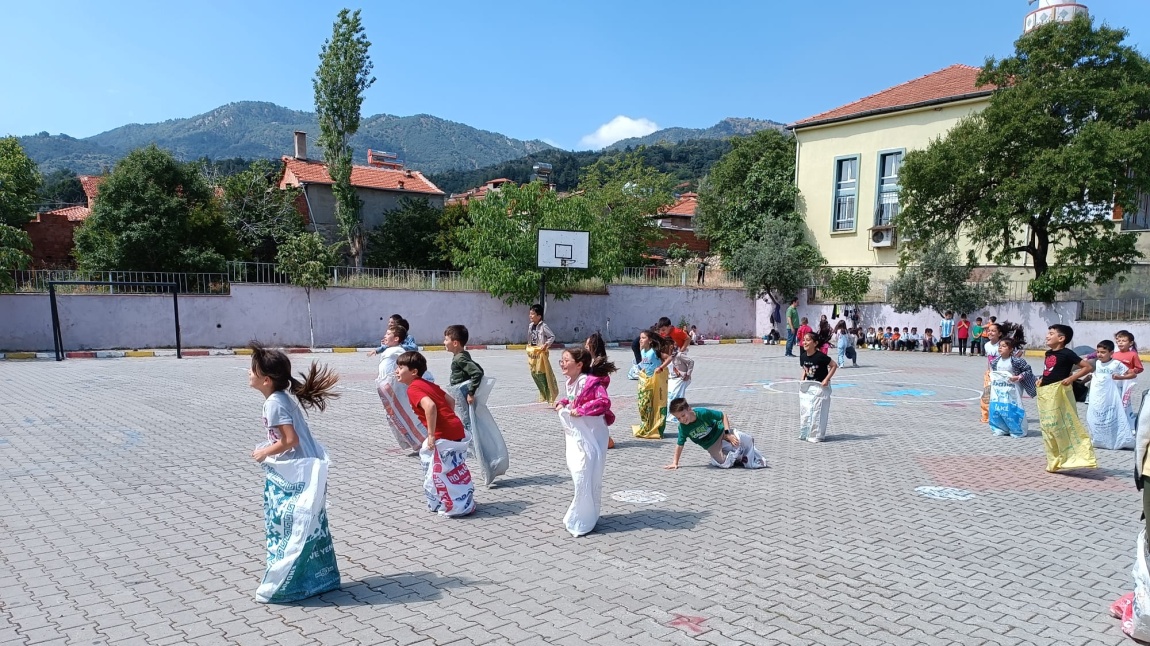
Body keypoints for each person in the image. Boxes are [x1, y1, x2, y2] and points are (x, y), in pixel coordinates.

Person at [247, 342, 341, 603]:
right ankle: (318, 578)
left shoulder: (274, 404)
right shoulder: (279, 398)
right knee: (309, 525)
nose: (249, 373)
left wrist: (264, 452)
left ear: (266, 380)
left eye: (253, 370)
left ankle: (289, 584)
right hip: (306, 468)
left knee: (292, 527)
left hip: (298, 474)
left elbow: (291, 440)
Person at [396, 351, 475, 516]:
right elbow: (450, 401)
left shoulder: (413, 388)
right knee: (453, 467)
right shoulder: (428, 384)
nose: (396, 370)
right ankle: (454, 500)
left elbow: (430, 406)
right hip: (455, 429)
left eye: (400, 367)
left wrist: (432, 433)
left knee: (441, 472)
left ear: (414, 372)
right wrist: (447, 419)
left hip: (443, 434)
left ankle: (452, 504)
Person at [554, 347, 615, 536]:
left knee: (587, 472)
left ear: (579, 365)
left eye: (566, 360)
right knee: (579, 471)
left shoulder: (590, 382)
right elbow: (573, 398)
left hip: (594, 433)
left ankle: (586, 514)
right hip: (579, 433)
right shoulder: (570, 381)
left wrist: (582, 410)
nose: (562, 364)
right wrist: (563, 403)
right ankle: (583, 511)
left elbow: (603, 402)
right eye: (561, 360)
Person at [1035, 324, 1098, 473]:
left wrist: (1072, 378)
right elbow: (1049, 372)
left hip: (1059, 392)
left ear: (1061, 338)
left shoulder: (1067, 353)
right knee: (1048, 426)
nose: (1047, 336)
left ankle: (1075, 456)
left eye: (1051, 333)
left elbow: (1087, 367)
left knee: (1059, 425)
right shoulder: (1048, 353)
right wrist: (1041, 380)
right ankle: (1054, 460)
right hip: (1047, 393)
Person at [664, 398, 766, 469]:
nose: (682, 419)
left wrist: (728, 433)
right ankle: (732, 457)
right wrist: (675, 462)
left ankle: (749, 456)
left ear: (689, 409)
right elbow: (679, 445)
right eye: (678, 418)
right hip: (711, 444)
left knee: (744, 439)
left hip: (721, 432)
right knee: (725, 464)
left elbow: (723, 415)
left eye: (683, 415)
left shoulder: (702, 413)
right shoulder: (683, 428)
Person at [373, 324, 427, 452]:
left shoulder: (398, 350)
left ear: (396, 339)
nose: (384, 337)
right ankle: (414, 442)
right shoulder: (389, 350)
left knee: (407, 415)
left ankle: (425, 440)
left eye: (388, 334)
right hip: (388, 390)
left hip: (397, 390)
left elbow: (409, 355)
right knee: (395, 417)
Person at [1086, 339, 1136, 450]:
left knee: (1111, 417)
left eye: (1103, 352)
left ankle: (1115, 439)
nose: (1100, 354)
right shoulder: (1096, 363)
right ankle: (1098, 439)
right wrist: (1082, 382)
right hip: (1097, 397)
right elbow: (1091, 375)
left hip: (1111, 397)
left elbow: (1132, 375)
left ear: (1111, 353)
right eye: (1098, 352)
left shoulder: (1116, 364)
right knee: (1096, 416)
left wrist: (1120, 377)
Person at [987, 337, 1036, 438]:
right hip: (999, 389)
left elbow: (1028, 371)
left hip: (1013, 389)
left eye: (1004, 346)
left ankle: (1017, 430)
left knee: (1012, 409)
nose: (1000, 348)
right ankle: (1000, 428)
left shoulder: (1017, 361)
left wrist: (1018, 377)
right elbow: (993, 372)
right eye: (999, 346)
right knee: (998, 408)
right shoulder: (995, 361)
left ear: (1011, 349)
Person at [633, 329, 672, 439]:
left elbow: (669, 358)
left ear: (650, 341)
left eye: (643, 338)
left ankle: (656, 428)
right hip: (645, 382)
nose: (641, 340)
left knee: (654, 406)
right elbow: (644, 365)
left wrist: (660, 368)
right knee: (643, 405)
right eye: (640, 338)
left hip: (656, 383)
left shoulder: (654, 352)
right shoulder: (642, 351)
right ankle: (647, 425)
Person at [445, 325, 484, 433]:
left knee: (466, 422)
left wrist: (471, 392)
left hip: (463, 395)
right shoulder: (460, 355)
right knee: (465, 420)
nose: (444, 342)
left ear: (455, 343)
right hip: (459, 395)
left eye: (446, 339)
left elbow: (477, 372)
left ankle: (472, 446)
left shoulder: (460, 357)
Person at [798, 331, 836, 442]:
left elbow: (834, 365)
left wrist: (826, 379)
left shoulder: (820, 356)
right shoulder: (803, 356)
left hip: (820, 387)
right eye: (804, 340)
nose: (805, 342)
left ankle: (817, 435)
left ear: (815, 343)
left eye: (808, 340)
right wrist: (802, 378)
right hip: (809, 387)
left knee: (817, 411)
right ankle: (806, 433)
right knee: (806, 410)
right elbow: (805, 368)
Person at [584, 332, 617, 450]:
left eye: (588, 345)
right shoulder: (592, 361)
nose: (586, 347)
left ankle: (606, 440)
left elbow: (601, 381)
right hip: (591, 396)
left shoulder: (599, 363)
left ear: (594, 346)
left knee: (597, 419)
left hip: (597, 397)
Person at [527, 304, 558, 404]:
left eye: (533, 314)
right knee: (534, 373)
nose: (530, 316)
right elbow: (530, 338)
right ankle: (543, 393)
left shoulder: (543, 326)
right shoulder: (531, 326)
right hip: (533, 353)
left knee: (543, 374)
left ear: (539, 316)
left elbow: (552, 336)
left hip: (541, 353)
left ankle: (550, 394)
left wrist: (546, 345)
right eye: (530, 314)